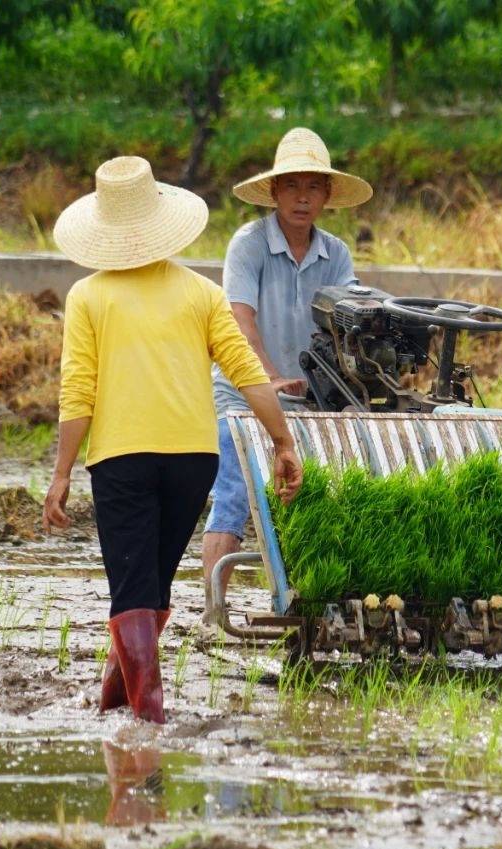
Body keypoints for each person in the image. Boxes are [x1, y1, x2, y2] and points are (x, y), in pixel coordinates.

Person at [42, 154, 303, 724]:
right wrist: (282, 441)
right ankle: (117, 697)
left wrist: (62, 472)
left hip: (121, 459)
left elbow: (77, 391)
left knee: (133, 587)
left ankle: (150, 720)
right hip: (193, 460)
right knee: (153, 585)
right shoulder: (201, 293)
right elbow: (245, 370)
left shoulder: (88, 296)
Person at [200, 127, 373, 631]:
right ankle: (213, 614)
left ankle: (302, 603)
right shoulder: (249, 245)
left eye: (313, 187)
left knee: (307, 495)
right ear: (274, 192)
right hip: (243, 391)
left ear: (326, 196)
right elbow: (239, 320)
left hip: (311, 395)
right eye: (292, 185)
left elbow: (349, 322)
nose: (302, 197)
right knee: (234, 492)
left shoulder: (336, 254)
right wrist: (269, 378)